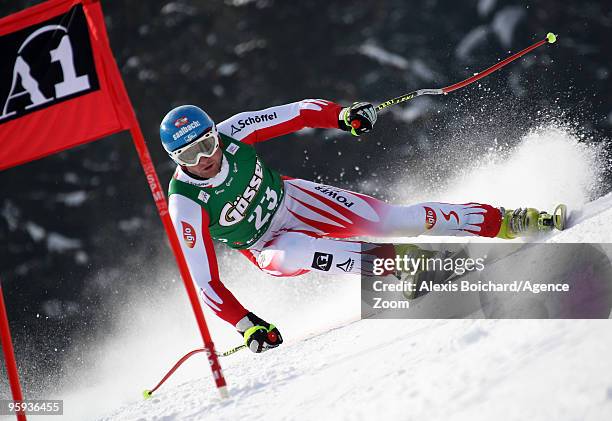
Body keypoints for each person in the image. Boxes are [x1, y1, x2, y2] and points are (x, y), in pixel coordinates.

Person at [159, 99, 562, 353]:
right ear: (176, 160)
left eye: (207, 145)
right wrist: (248, 325)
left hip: (297, 200)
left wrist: (343, 116)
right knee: (298, 251)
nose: (204, 159)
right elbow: (206, 282)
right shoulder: (186, 204)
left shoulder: (236, 132)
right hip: (267, 246)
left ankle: (506, 220)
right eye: (190, 155)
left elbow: (299, 111)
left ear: (215, 133)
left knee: (398, 220)